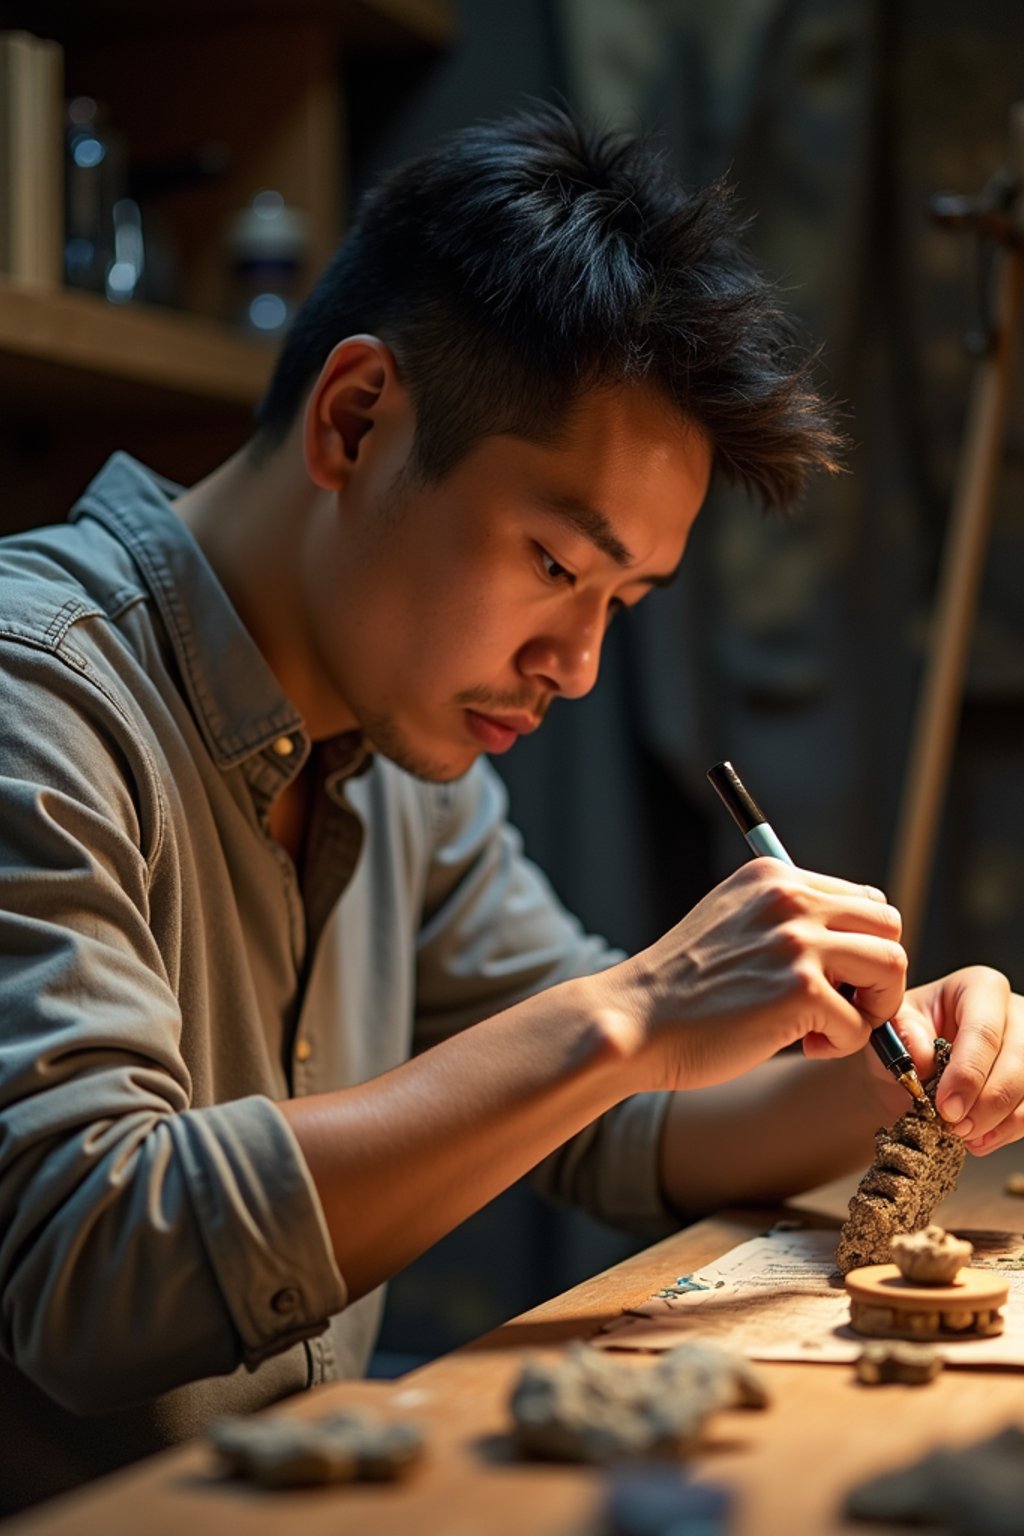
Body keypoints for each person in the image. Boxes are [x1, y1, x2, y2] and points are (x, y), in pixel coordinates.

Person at [0, 103, 1020, 1512]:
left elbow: (616, 1125)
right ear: (357, 422)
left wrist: (898, 1078)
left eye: (623, 603)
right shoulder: (33, 691)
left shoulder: (401, 749)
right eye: (554, 565)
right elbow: (90, 1267)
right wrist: (632, 1013)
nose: (578, 668)